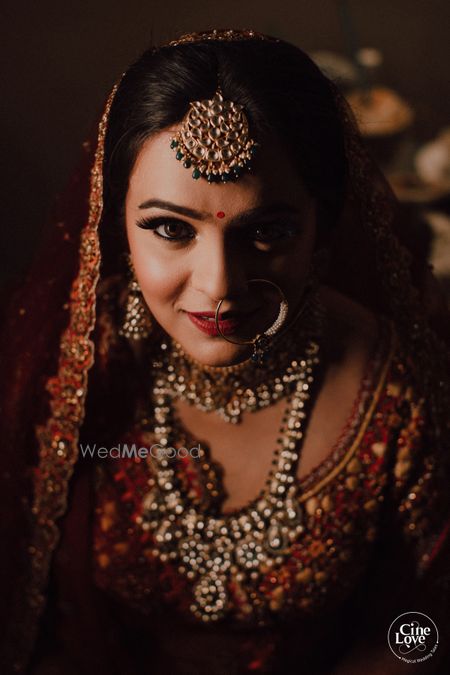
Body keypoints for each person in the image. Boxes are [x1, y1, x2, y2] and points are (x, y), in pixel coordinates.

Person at [1, 28, 449, 675]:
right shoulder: (71, 370)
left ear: (322, 225)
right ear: (116, 221)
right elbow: (28, 604)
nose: (220, 286)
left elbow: (428, 624)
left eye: (266, 231)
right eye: (170, 229)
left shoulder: (399, 391)